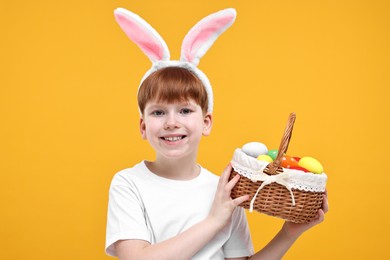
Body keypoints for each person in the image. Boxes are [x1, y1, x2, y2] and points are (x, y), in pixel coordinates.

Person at [106, 8, 328, 260]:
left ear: (206, 122)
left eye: (185, 110)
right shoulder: (129, 184)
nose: (171, 122)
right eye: (158, 113)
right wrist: (214, 220)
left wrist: (289, 233)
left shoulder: (224, 189)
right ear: (143, 127)